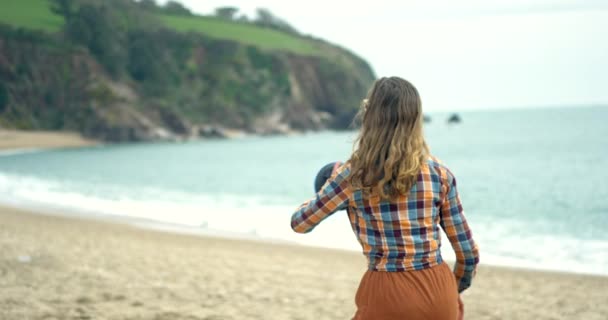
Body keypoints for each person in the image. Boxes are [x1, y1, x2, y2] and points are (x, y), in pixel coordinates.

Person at [291, 77, 479, 320]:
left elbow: (300, 223)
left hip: (387, 292)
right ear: (415, 121)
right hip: (439, 289)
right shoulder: (440, 174)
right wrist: (453, 287)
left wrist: (329, 186)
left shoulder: (351, 175)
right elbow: (468, 253)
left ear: (370, 118)